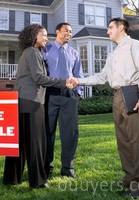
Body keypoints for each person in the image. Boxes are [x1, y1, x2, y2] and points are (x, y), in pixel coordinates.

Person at [70, 18, 139, 198]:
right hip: (117, 96)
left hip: (134, 94)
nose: (107, 32)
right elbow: (101, 77)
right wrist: (79, 80)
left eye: (110, 28)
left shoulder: (135, 45)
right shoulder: (113, 54)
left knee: (136, 141)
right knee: (123, 141)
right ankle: (129, 180)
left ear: (121, 28)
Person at [3, 24, 71, 189]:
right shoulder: (33, 52)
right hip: (32, 102)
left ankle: (12, 178)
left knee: (18, 142)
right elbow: (39, 78)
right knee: (36, 143)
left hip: (21, 100)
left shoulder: (28, 52)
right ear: (35, 36)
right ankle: (38, 181)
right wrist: (64, 82)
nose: (46, 38)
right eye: (44, 35)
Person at [43, 22, 84, 178]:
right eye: (66, 31)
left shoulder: (74, 53)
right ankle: (46, 167)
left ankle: (68, 168)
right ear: (57, 31)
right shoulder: (45, 50)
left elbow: (78, 74)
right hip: (50, 95)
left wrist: (77, 93)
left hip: (69, 96)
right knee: (47, 132)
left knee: (70, 134)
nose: (69, 33)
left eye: (71, 32)